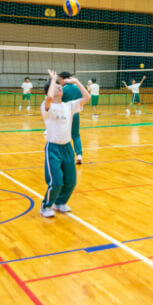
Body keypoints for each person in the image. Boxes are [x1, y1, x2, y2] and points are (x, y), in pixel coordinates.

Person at [39, 70, 90, 218]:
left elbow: (87, 97)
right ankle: (46, 206)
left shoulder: (68, 106)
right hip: (53, 148)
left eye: (59, 86)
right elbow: (49, 98)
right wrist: (53, 79)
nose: (60, 87)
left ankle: (60, 203)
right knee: (56, 181)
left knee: (71, 181)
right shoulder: (46, 106)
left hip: (67, 148)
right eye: (56, 87)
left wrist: (75, 82)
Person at [59, 72, 84, 164]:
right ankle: (79, 155)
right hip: (76, 114)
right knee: (76, 135)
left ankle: (64, 157)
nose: (59, 81)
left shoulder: (62, 89)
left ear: (63, 79)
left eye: (60, 79)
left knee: (63, 136)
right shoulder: (77, 88)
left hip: (65, 115)